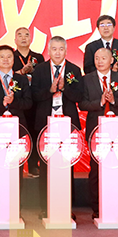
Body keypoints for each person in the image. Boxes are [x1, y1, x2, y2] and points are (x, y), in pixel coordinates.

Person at [30, 36, 85, 220]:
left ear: (66, 51)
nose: (58, 52)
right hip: (45, 124)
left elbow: (79, 96)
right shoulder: (40, 69)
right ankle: (45, 207)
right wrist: (50, 90)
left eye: (61, 49)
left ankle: (66, 207)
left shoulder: (74, 70)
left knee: (66, 166)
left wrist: (65, 89)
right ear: (48, 50)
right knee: (46, 166)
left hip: (67, 124)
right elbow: (34, 96)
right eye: (54, 49)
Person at [81, 46, 118, 218]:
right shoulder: (87, 79)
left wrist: (114, 100)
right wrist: (100, 102)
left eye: (103, 58)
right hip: (96, 130)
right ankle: (97, 207)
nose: (99, 61)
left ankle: (114, 205)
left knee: (114, 167)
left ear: (111, 60)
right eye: (97, 58)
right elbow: (83, 104)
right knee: (96, 169)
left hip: (115, 131)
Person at [0, 45, 33, 209]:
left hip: (18, 128)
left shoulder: (22, 80)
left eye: (9, 57)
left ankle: (15, 203)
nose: (5, 60)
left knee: (16, 166)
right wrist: (2, 104)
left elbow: (28, 103)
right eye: (2, 56)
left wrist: (13, 102)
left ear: (13, 59)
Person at [11, 26, 44, 177]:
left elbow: (44, 76)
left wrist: (33, 72)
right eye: (20, 35)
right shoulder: (11, 56)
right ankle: (16, 165)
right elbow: (6, 75)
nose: (23, 38)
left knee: (35, 133)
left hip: (35, 99)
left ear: (31, 39)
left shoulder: (38, 57)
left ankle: (33, 165)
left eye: (26, 35)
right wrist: (22, 72)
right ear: (15, 39)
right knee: (18, 134)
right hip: (17, 100)